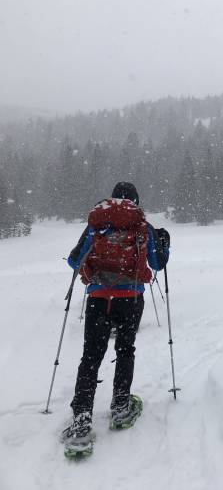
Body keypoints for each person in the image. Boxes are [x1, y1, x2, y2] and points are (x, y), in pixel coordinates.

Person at [60, 182, 170, 451]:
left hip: (98, 298)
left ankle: (82, 420)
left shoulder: (97, 224)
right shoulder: (142, 226)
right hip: (131, 299)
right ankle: (121, 404)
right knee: (125, 349)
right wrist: (164, 242)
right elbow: (157, 264)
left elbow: (74, 261)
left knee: (91, 356)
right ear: (135, 200)